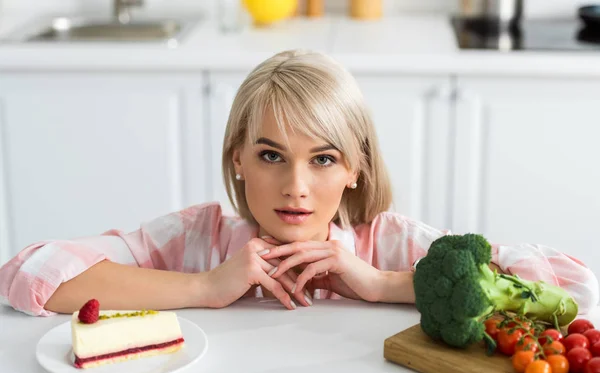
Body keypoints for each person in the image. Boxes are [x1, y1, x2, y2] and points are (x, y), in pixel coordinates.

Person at [0, 50, 598, 317]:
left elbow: (574, 286)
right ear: (237, 157)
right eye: (270, 155)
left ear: (355, 167)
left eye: (323, 159)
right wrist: (207, 286)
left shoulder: (389, 244)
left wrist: (382, 284)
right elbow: (30, 273)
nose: (295, 187)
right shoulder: (195, 239)